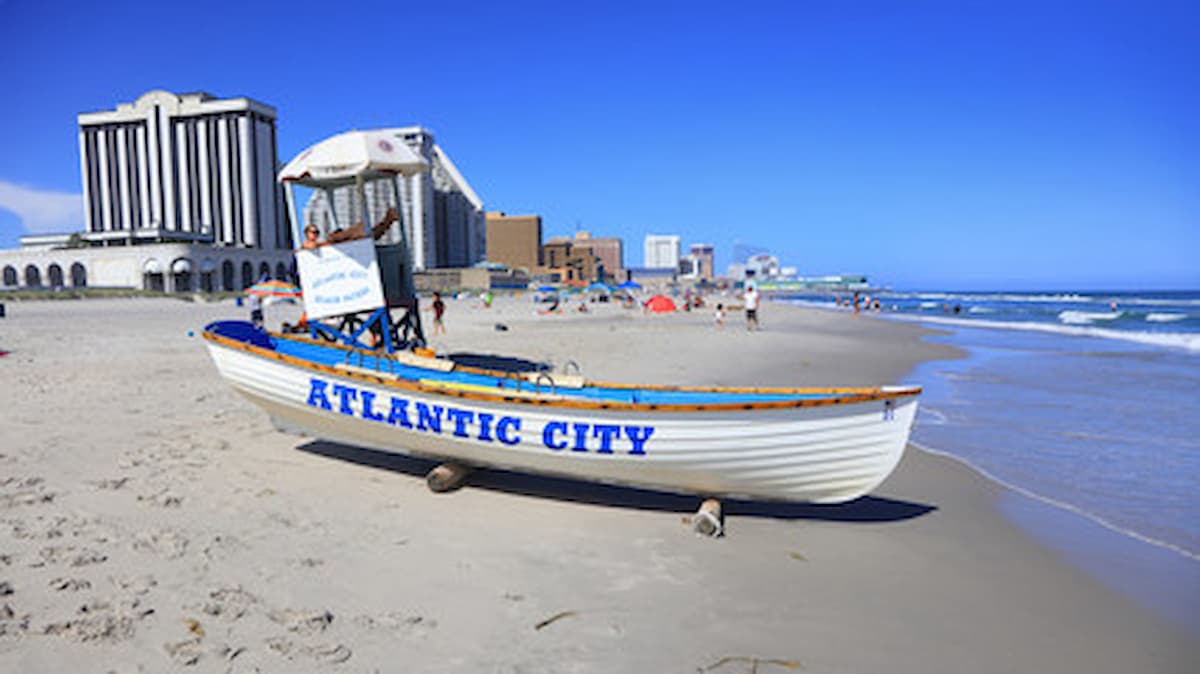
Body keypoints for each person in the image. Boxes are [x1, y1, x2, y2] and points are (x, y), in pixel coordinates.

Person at [301, 207, 399, 250]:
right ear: (306, 234)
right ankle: (387, 220)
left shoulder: (320, 243)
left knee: (368, 236)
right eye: (313, 232)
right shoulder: (306, 245)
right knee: (365, 236)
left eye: (317, 232)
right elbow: (311, 246)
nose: (316, 234)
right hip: (338, 245)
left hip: (341, 244)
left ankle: (387, 221)